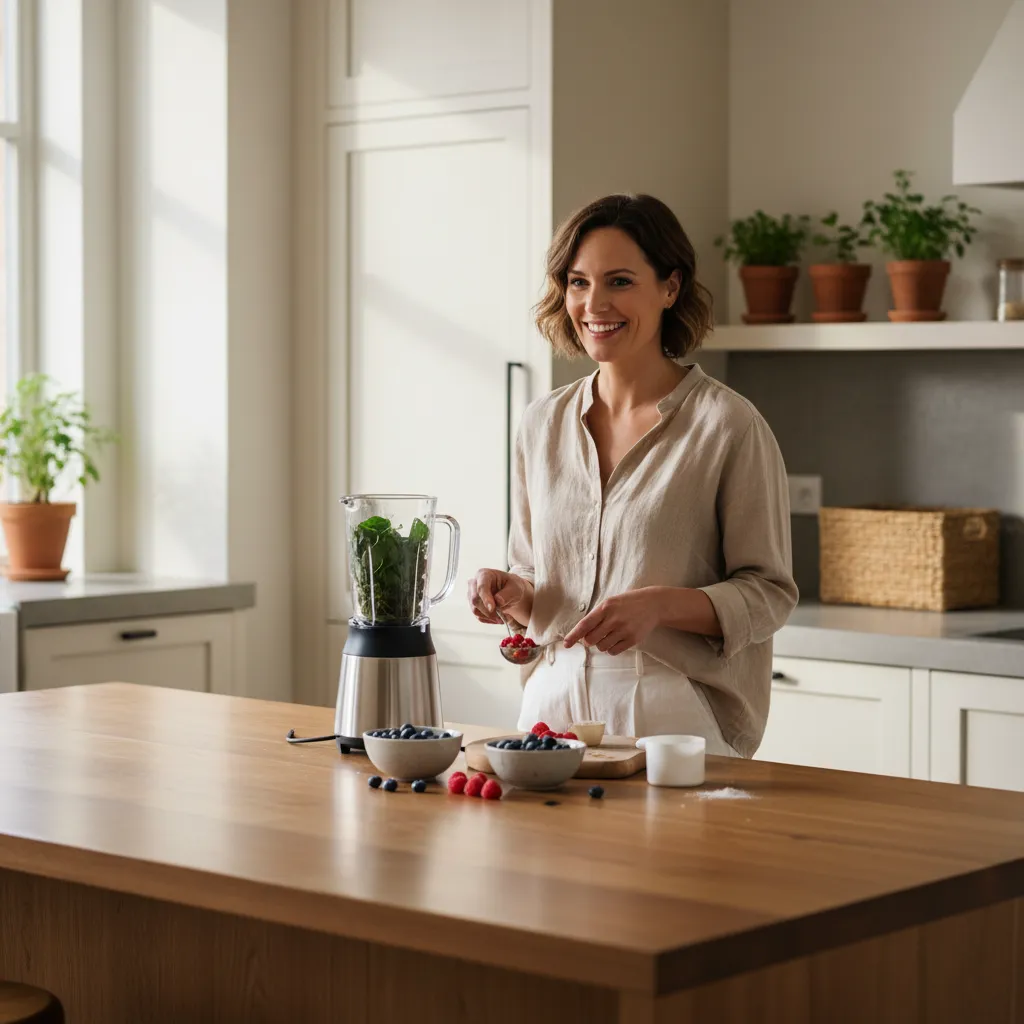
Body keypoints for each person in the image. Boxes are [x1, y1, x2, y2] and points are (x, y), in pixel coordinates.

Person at [467, 194, 798, 757]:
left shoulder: (728, 426)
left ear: (670, 287)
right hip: (551, 705)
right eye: (577, 282)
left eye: (619, 281)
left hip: (673, 715)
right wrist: (512, 592)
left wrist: (660, 606)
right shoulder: (541, 424)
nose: (594, 303)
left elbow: (769, 594)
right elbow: (537, 580)